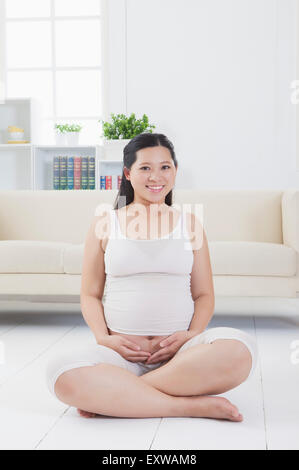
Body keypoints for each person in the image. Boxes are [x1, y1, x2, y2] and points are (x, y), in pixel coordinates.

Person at [46, 133, 258, 421]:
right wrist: (102, 338)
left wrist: (192, 335)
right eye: (145, 167)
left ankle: (124, 396)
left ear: (175, 171)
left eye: (165, 167)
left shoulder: (190, 223)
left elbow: (204, 294)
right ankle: (189, 405)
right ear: (128, 173)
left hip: (183, 357)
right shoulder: (104, 223)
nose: (156, 176)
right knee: (60, 373)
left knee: (240, 351)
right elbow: (90, 294)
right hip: (119, 357)